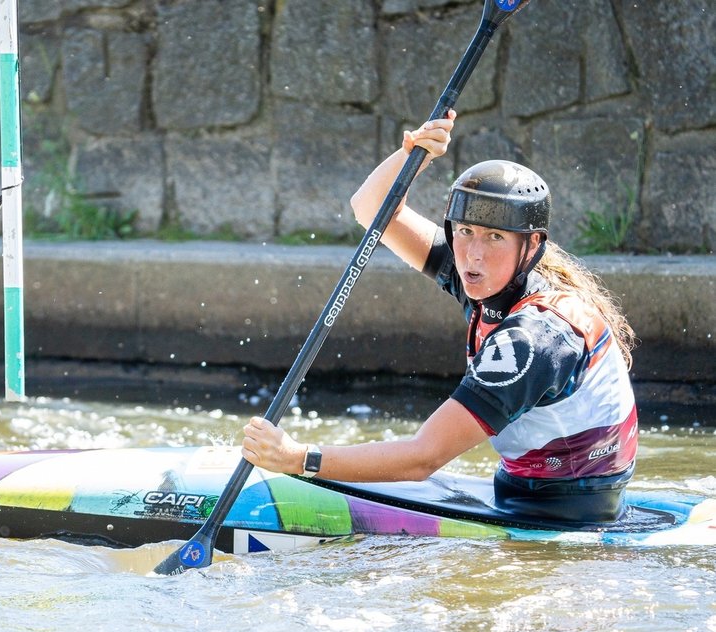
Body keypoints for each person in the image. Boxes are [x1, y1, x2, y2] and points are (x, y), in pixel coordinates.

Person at [241, 110, 639, 523]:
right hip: (527, 490)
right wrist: (414, 155)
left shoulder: (534, 339)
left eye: (495, 237)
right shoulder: (490, 279)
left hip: (562, 515)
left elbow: (423, 458)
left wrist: (296, 458)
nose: (473, 254)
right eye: (464, 231)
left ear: (532, 245)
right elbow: (371, 210)